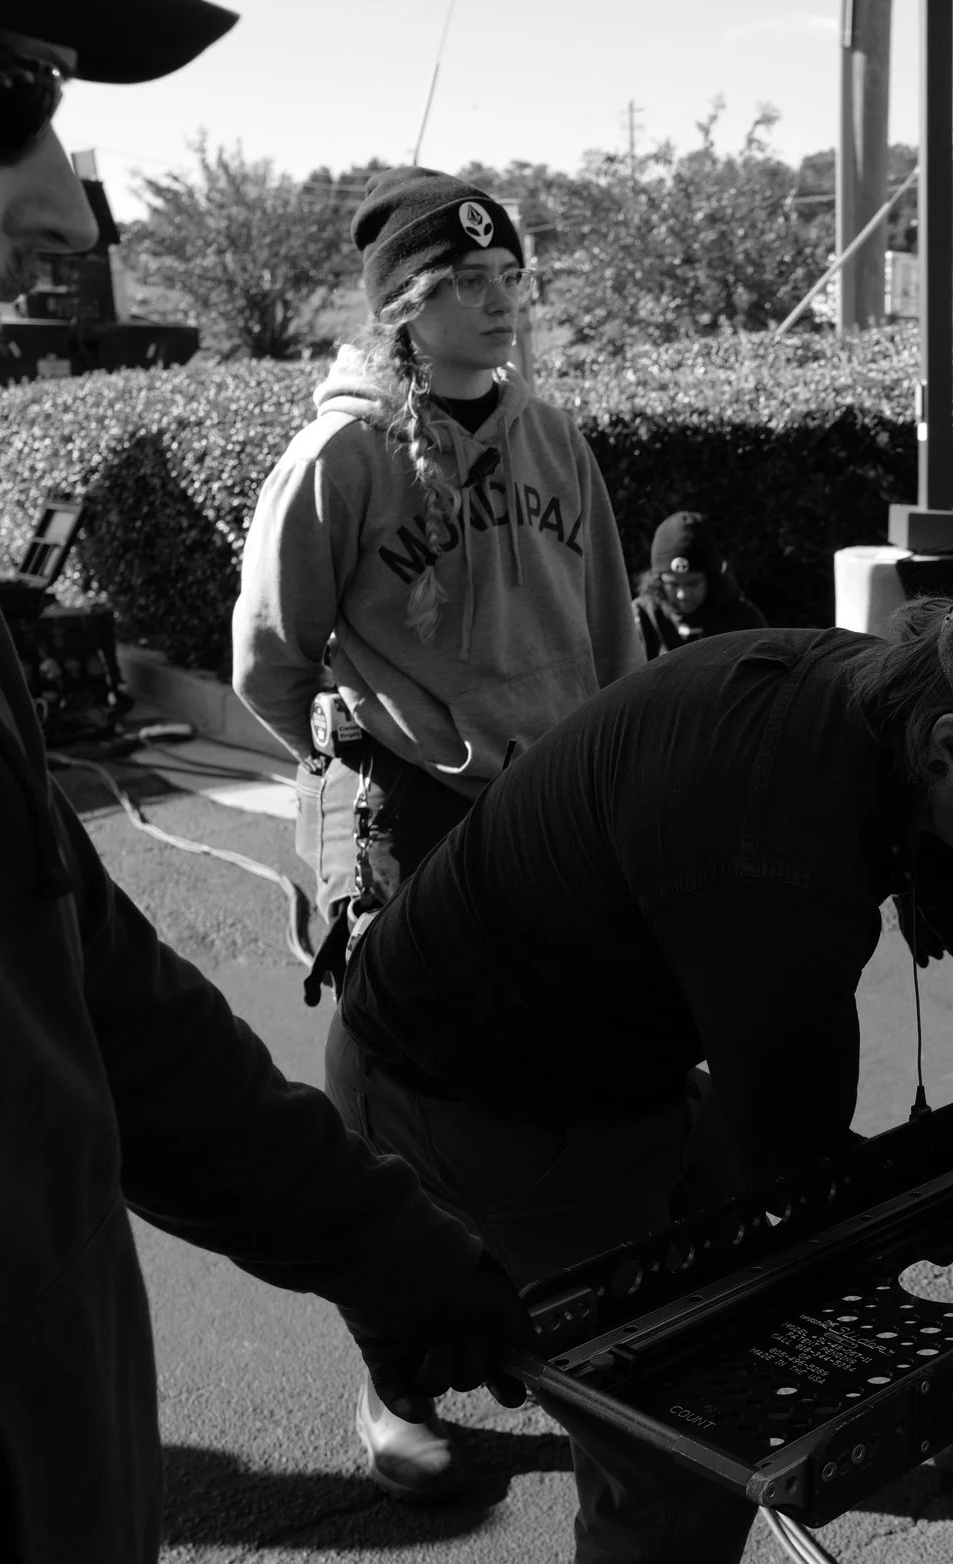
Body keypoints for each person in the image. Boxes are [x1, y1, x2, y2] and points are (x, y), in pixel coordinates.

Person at [0, 6, 528, 1564]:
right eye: (4, 85)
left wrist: (377, 1240)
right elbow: (276, 664)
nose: (74, 215)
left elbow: (91, 984)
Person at [330, 561, 953, 1564]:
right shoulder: (777, 844)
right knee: (685, 1427)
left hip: (602, 1062)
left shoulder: (882, 701)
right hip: (470, 1095)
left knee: (708, 1380)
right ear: (951, 745)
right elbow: (796, 1176)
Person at [233, 164, 641, 985]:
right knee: (422, 1073)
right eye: (466, 281)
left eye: (509, 277)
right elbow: (269, 663)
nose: (502, 302)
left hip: (565, 801)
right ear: (405, 303)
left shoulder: (556, 439)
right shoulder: (338, 459)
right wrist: (364, 764)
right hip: (418, 826)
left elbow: (612, 635)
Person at [634, 508, 767, 657]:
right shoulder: (640, 618)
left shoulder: (743, 620)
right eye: (672, 584)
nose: (682, 594)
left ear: (711, 578)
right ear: (657, 581)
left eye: (692, 583)